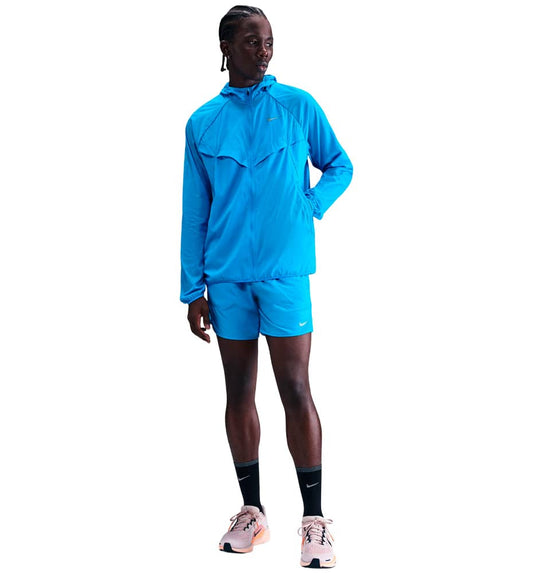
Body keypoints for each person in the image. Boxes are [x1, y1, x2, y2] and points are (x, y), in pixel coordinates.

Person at [180, 5, 352, 568]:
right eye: (252, 41)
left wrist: (311, 205)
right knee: (238, 392)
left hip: (284, 274)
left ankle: (314, 520)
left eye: (270, 41)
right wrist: (192, 288)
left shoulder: (298, 106)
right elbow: (195, 211)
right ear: (226, 48)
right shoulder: (203, 123)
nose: (264, 50)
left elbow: (340, 165)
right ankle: (251, 512)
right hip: (226, 279)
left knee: (296, 388)